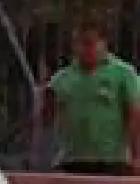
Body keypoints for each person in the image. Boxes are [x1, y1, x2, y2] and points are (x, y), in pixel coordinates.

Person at [40, 21, 140, 174]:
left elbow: (135, 114)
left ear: (104, 44)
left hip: (113, 161)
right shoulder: (62, 78)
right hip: (72, 160)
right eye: (78, 44)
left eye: (89, 43)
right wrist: (45, 102)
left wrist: (136, 156)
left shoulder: (123, 74)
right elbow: (47, 120)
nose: (83, 49)